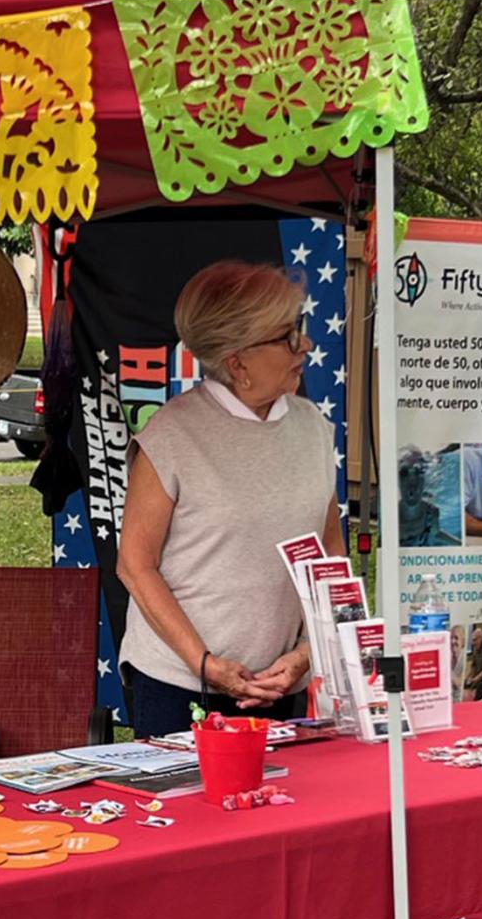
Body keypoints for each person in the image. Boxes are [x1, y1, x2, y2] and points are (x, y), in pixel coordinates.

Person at [116, 260, 343, 735]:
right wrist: (205, 664)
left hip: (283, 686)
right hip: (180, 688)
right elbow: (135, 565)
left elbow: (330, 554)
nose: (306, 345)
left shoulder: (313, 429)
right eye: (288, 336)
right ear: (237, 362)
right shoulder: (173, 435)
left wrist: (306, 653)